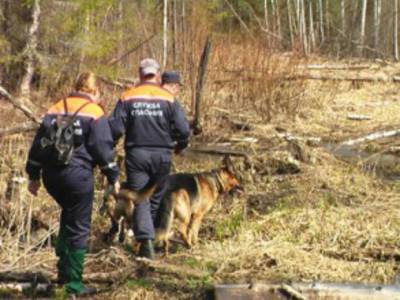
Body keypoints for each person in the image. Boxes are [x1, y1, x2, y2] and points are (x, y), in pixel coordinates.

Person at [25, 72, 119, 296]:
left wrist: (33, 175)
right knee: (79, 225)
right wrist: (113, 175)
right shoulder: (94, 112)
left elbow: (39, 143)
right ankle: (74, 284)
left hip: (52, 176)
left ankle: (62, 274)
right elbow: (102, 147)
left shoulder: (56, 107)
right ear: (94, 91)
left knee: (69, 216)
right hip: (77, 176)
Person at [109, 58, 190, 259]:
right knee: (154, 197)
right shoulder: (169, 98)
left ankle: (145, 241)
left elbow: (116, 128)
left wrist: (107, 149)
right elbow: (183, 129)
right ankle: (148, 241)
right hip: (163, 155)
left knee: (142, 198)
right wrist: (180, 145)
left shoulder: (128, 97)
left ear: (140, 74)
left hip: (137, 155)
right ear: (158, 75)